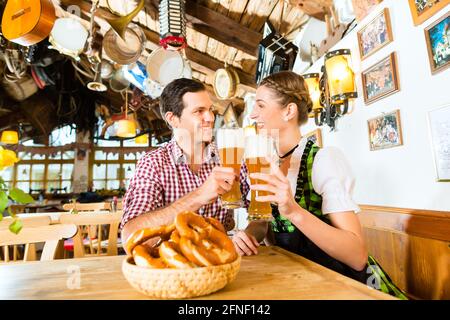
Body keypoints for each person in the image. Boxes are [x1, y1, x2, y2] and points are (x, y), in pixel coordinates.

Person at [233, 71, 407, 299]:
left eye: (261, 106)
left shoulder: (323, 160)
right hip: (302, 279)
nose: (253, 115)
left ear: (289, 111)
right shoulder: (265, 161)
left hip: (347, 284)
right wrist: (245, 237)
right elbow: (264, 222)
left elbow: (357, 255)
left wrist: (293, 210)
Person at [120, 78, 236, 251]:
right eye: (199, 111)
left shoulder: (229, 157)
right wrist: (199, 196)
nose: (210, 117)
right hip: (171, 271)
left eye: (210, 110)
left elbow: (260, 216)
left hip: (221, 267)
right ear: (173, 119)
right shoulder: (153, 163)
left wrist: (249, 234)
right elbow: (130, 238)